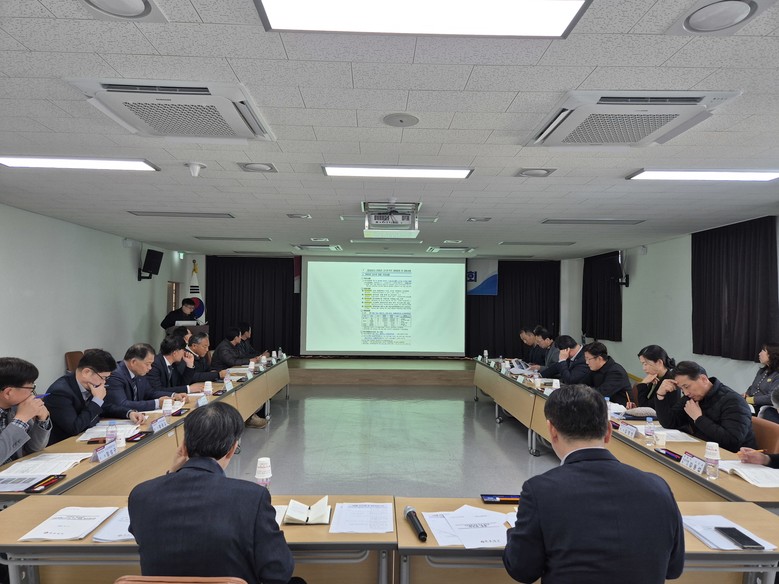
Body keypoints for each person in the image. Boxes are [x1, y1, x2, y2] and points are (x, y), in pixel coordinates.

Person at [503, 384, 684, 584]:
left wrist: (513, 533)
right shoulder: (658, 487)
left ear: (552, 430)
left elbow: (522, 571)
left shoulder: (540, 490)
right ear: (608, 431)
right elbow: (673, 569)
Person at [128, 402, 301, 584]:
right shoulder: (252, 497)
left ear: (183, 446)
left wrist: (172, 474)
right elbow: (278, 571)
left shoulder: (141, 495)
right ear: (232, 449)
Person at [44, 349, 144, 445]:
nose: (104, 382)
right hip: (64, 445)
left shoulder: (91, 384)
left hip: (85, 439)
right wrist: (97, 400)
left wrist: (129, 413)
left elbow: (105, 407)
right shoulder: (60, 392)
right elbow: (75, 428)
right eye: (103, 378)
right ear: (86, 372)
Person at [655, 360, 757, 453]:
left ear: (703, 379)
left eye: (687, 386)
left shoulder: (734, 401)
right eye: (682, 389)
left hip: (734, 458)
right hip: (702, 451)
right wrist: (660, 395)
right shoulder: (691, 397)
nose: (685, 393)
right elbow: (669, 422)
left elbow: (732, 441)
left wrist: (698, 418)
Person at [105, 344, 188, 412]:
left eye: (151, 364)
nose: (150, 368)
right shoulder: (115, 375)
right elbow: (122, 404)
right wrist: (156, 403)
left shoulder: (139, 373)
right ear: (133, 362)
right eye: (147, 364)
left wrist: (174, 395)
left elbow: (150, 393)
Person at [0, 357, 51, 465]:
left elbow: (33, 448)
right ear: (8, 392)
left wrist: (42, 420)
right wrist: (20, 419)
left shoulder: (15, 407)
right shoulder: (21, 412)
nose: (32, 394)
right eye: (31, 389)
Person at [582, 341, 632, 406]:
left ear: (599, 358)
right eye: (585, 359)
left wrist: (582, 393)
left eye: (589, 359)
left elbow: (601, 393)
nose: (587, 362)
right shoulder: (595, 368)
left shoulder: (616, 372)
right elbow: (582, 384)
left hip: (621, 409)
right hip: (603, 405)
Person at [743, 342, 779, 411]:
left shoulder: (777, 375)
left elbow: (771, 398)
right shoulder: (762, 371)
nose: (759, 354)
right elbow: (752, 387)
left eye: (763, 351)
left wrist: (749, 400)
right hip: (752, 405)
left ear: (771, 354)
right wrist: (746, 394)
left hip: (765, 409)